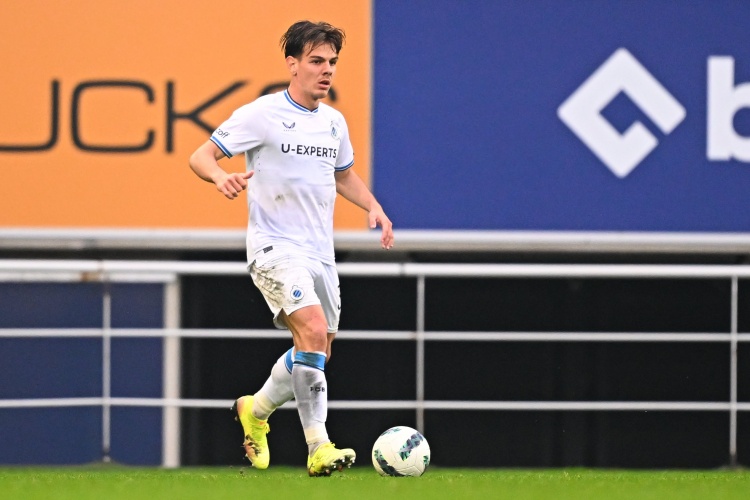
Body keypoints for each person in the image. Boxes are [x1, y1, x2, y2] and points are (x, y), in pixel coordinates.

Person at [188, 20, 393, 477]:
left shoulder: (334, 122)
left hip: (320, 252)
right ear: (293, 64)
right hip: (275, 247)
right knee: (314, 332)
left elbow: (343, 175)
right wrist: (220, 177)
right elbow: (200, 156)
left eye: (332, 62)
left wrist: (373, 205)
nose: (327, 70)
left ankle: (255, 411)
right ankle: (318, 447)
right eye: (316, 61)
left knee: (317, 349)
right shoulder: (262, 114)